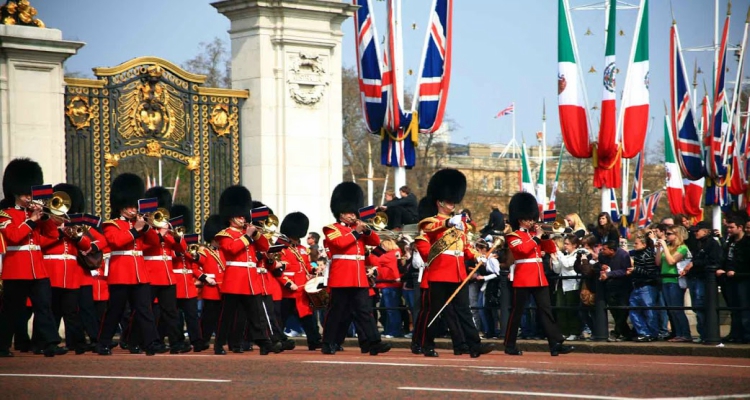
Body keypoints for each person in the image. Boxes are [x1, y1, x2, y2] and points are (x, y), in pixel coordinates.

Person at [418, 169, 493, 358]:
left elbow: (465, 247)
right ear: (439, 202)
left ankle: (474, 345)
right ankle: (427, 344)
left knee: (464, 311)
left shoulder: (461, 226)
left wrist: (477, 256)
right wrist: (448, 223)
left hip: (458, 272)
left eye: (453, 201)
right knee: (436, 312)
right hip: (440, 272)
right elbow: (431, 231)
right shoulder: (432, 221)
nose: (452, 204)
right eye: (448, 201)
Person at [97, 173, 167, 356]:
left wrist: (147, 226)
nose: (132, 210)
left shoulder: (139, 223)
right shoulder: (111, 224)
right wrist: (135, 230)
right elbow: (116, 242)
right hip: (121, 271)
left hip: (139, 272)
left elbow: (153, 242)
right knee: (115, 310)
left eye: (134, 206)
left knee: (145, 309)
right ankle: (103, 342)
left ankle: (151, 342)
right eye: (129, 206)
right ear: (120, 207)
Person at [0, 158, 64, 357]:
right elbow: (13, 236)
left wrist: (45, 218)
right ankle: (2, 345)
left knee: (44, 306)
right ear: (16, 192)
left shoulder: (36, 213)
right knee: (12, 310)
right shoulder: (5, 213)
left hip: (37, 268)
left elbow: (52, 236)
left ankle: (50, 343)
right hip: (16, 269)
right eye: (26, 193)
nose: (30, 197)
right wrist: (32, 220)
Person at [321, 181, 391, 356]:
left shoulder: (358, 229)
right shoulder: (332, 229)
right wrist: (357, 232)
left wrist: (366, 231)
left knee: (364, 311)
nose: (352, 215)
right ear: (340, 214)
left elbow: (375, 242)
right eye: (348, 212)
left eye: (353, 212)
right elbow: (340, 243)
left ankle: (374, 342)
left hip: (358, 276)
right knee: (336, 312)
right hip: (342, 275)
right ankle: (328, 342)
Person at [213, 185, 280, 355]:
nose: (243, 219)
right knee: (227, 316)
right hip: (235, 279)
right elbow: (232, 249)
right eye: (239, 216)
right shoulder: (224, 234)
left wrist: (256, 234)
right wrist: (247, 236)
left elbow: (264, 246)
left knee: (256, 315)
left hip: (251, 279)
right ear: (230, 217)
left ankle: (263, 343)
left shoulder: (249, 232)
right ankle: (219, 344)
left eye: (244, 215)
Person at [503, 191, 572, 356]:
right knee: (517, 312)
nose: (532, 221)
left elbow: (551, 249)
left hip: (539, 276)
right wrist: (537, 237)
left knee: (546, 311)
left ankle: (555, 344)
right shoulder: (513, 236)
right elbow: (522, 250)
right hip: (523, 277)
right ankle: (509, 344)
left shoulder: (536, 234)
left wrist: (546, 236)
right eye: (529, 219)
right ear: (520, 219)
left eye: (532, 218)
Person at [39, 183, 96, 354]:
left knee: (71, 311)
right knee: (51, 310)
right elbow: (41, 244)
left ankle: (78, 343)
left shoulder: (72, 222)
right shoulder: (46, 223)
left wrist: (77, 236)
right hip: (51, 269)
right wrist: (59, 233)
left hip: (70, 273)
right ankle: (44, 342)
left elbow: (87, 246)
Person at [276, 211, 323, 350]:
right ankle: (277, 340)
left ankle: (314, 341)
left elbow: (308, 266)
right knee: (281, 319)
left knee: (308, 318)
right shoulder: (281, 249)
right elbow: (276, 269)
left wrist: (315, 269)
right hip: (288, 290)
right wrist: (287, 282)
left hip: (302, 290)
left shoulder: (303, 249)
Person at [682, 221, 722, 343]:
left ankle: (706, 334)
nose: (695, 233)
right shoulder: (697, 243)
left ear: (706, 231)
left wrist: (695, 264)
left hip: (703, 279)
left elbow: (713, 261)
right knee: (696, 307)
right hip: (694, 278)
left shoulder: (712, 244)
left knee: (701, 306)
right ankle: (702, 333)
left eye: (697, 230)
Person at [192, 214, 224, 352]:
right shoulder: (204, 251)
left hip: (224, 288)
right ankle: (203, 340)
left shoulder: (225, 251)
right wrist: (205, 278)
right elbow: (194, 268)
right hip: (211, 289)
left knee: (222, 317)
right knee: (208, 317)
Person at [656, 225, 692, 342]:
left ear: (677, 235)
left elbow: (671, 261)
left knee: (677, 308)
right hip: (665, 279)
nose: (667, 236)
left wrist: (665, 247)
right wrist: (658, 249)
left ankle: (685, 334)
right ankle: (678, 333)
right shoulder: (668, 247)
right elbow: (658, 263)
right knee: (671, 309)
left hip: (675, 281)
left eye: (669, 234)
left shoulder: (682, 248)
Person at [717, 215, 750, 343]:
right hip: (729, 279)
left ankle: (746, 335)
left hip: (742, 279)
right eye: (728, 227)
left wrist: (736, 271)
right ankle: (735, 334)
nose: (729, 230)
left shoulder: (747, 242)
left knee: (744, 307)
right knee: (733, 308)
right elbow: (725, 257)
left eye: (731, 227)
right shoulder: (730, 241)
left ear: (740, 227)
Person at [599, 240, 635, 341]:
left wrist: (610, 274)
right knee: (614, 311)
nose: (602, 251)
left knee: (623, 310)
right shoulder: (602, 256)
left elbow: (625, 270)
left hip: (623, 287)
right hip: (610, 287)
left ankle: (616, 333)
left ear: (612, 250)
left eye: (604, 249)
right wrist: (602, 266)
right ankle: (626, 333)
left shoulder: (623, 256)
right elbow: (599, 264)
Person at [626, 232, 659, 342]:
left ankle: (652, 333)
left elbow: (651, 273)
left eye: (636, 243)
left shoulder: (648, 255)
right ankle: (643, 332)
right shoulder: (636, 254)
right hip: (637, 286)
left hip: (647, 286)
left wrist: (635, 270)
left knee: (649, 311)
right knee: (633, 310)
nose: (634, 245)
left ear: (644, 245)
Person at [551, 234, 582, 341]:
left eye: (567, 244)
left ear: (574, 245)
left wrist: (558, 253)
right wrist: (555, 259)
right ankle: (564, 331)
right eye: (564, 244)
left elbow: (568, 264)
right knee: (560, 308)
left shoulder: (577, 254)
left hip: (572, 285)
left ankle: (575, 332)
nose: (565, 246)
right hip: (561, 284)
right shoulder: (565, 255)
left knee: (571, 309)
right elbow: (558, 270)